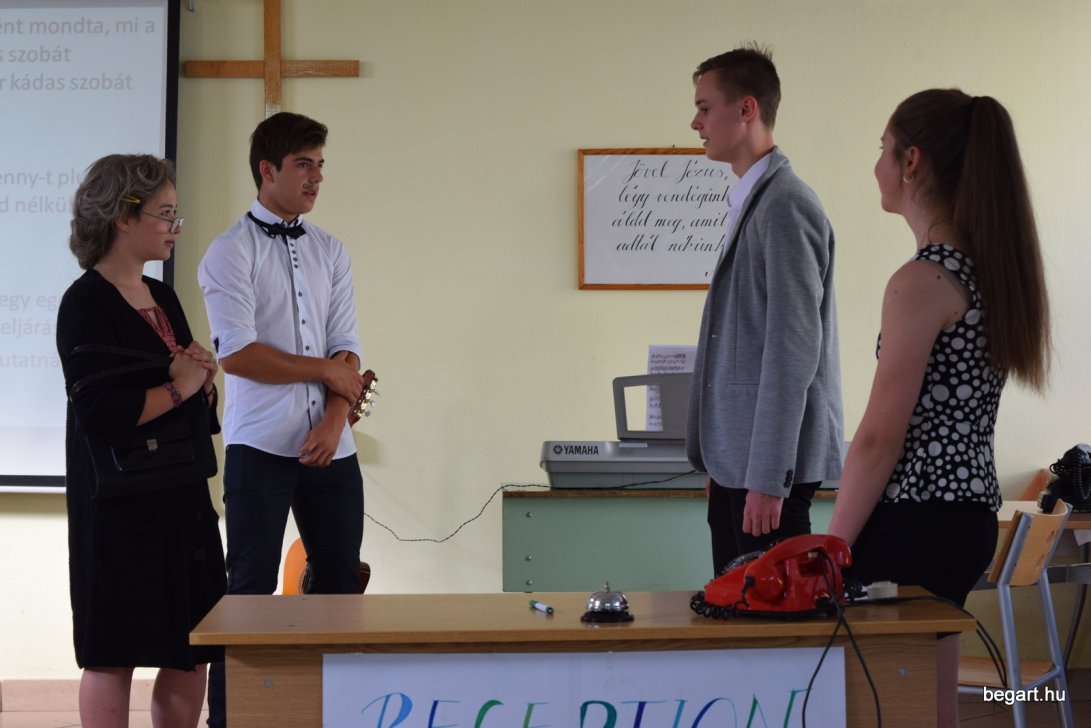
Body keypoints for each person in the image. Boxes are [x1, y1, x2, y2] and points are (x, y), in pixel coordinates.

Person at [826, 89, 1051, 726]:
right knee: (932, 706)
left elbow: (880, 439)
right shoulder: (987, 274)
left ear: (912, 161)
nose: (875, 163)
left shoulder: (921, 281)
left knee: (883, 708)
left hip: (914, 519)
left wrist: (832, 545)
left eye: (882, 148)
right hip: (964, 517)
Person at [198, 111, 366, 727]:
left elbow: (347, 351)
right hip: (260, 448)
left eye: (320, 165)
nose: (317, 177)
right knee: (248, 590)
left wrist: (336, 419)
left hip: (332, 447)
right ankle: (230, 719)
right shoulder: (228, 252)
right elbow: (238, 355)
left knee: (340, 586)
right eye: (303, 165)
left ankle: (334, 713)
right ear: (267, 171)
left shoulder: (331, 250)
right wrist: (325, 373)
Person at [57, 154, 226, 728]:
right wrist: (180, 387)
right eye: (166, 214)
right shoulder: (85, 302)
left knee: (193, 645)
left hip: (182, 497)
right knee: (113, 650)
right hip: (119, 508)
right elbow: (101, 416)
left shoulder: (163, 296)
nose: (176, 226)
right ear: (123, 217)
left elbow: (185, 392)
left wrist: (202, 384)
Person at [686, 45, 844, 576]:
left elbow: (792, 350)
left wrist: (768, 477)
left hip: (767, 473)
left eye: (705, 108)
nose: (696, 123)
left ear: (746, 108)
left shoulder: (785, 204)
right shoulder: (754, 202)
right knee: (732, 608)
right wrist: (722, 459)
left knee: (767, 618)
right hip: (741, 463)